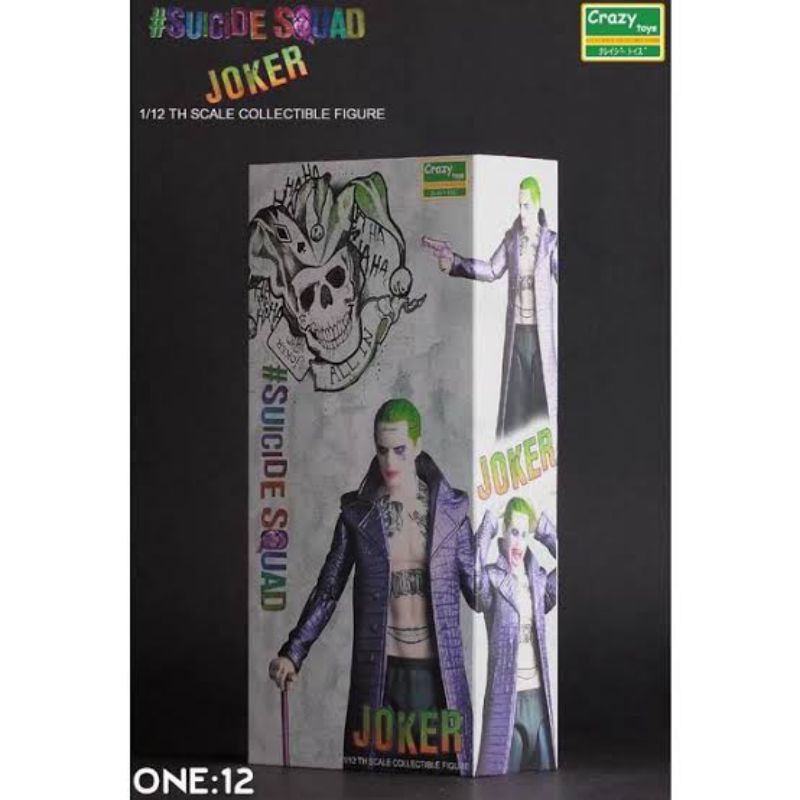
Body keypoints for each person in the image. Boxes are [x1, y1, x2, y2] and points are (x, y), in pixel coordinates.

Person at [268, 398, 476, 774]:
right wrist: (293, 651)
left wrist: (518, 566)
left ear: (417, 445)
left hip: (437, 679)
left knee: (445, 785)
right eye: (382, 450)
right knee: (371, 785)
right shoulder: (357, 516)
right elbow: (328, 589)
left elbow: (479, 594)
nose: (390, 462)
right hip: (381, 677)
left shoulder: (452, 513)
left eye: (400, 450)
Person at [423, 176, 558, 437]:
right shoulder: (512, 240)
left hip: (541, 338)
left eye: (527, 206)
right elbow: (492, 270)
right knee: (514, 414)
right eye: (519, 205)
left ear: (538, 204)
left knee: (544, 413)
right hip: (517, 336)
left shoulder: (551, 243)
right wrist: (454, 262)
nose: (522, 212)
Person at [475, 496, 557, 774]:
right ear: (504, 534)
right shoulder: (492, 578)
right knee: (501, 784)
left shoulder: (539, 580)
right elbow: (472, 581)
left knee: (546, 783)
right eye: (514, 532)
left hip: (538, 700)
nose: (519, 542)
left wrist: (543, 527)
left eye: (524, 534)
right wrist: (488, 524)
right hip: (506, 703)